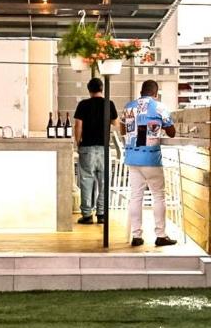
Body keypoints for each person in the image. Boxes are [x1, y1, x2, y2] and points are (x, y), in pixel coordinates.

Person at [122, 79, 177, 247]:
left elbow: (123, 130)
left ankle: (136, 236)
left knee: (135, 197)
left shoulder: (129, 107)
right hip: (151, 158)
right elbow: (172, 132)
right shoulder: (159, 107)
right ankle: (160, 235)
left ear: (141, 92)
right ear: (155, 93)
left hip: (132, 158)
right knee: (158, 196)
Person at [73, 77, 117, 224]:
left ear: (89, 89)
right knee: (104, 182)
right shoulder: (109, 104)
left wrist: (78, 142)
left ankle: (87, 215)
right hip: (104, 147)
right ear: (102, 88)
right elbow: (116, 124)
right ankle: (102, 214)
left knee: (86, 181)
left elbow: (78, 125)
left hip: (87, 147)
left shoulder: (83, 104)